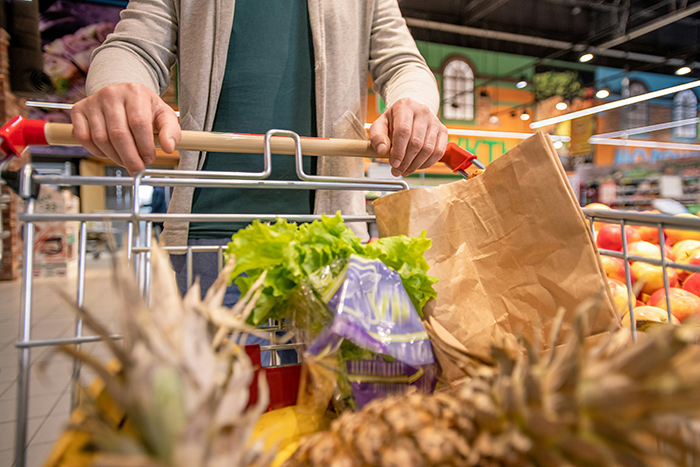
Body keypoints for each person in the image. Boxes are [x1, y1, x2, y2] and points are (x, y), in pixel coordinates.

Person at [73, 0, 447, 365]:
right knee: (223, 415)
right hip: (210, 242)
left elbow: (403, 62)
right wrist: (119, 84)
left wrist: (414, 103)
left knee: (335, 414)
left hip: (332, 240)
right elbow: (134, 44)